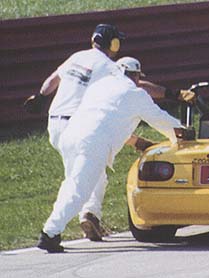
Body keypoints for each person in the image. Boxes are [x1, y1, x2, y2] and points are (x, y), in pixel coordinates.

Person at [37, 61, 185, 253]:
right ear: (135, 76)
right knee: (78, 189)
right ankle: (49, 234)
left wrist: (136, 141)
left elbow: (110, 120)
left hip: (70, 136)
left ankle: (72, 222)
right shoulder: (135, 94)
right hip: (91, 144)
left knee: (73, 183)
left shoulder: (100, 86)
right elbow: (160, 119)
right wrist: (182, 132)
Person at [24, 24, 125, 241]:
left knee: (95, 171)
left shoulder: (77, 56)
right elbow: (134, 86)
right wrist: (169, 93)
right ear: (113, 44)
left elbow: (53, 79)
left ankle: (91, 215)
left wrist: (40, 97)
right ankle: (52, 232)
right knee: (77, 183)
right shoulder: (109, 66)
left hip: (55, 125)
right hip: (79, 129)